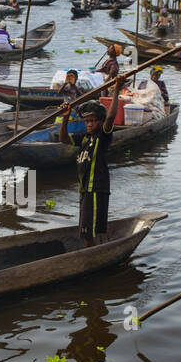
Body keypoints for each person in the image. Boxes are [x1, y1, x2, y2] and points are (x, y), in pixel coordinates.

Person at [59, 77, 124, 247]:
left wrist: (116, 90)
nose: (89, 124)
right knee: (87, 229)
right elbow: (64, 139)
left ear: (100, 122)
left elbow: (110, 118)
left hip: (96, 188)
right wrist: (65, 118)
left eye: (93, 121)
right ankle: (94, 249)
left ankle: (92, 254)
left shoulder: (102, 136)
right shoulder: (84, 138)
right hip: (85, 189)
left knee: (88, 231)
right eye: (87, 121)